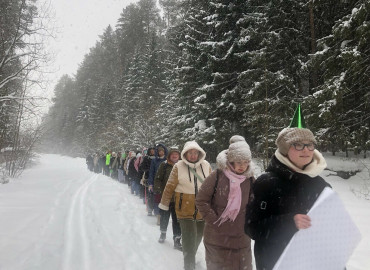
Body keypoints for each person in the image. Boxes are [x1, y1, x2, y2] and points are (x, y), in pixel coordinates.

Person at [245, 104, 331, 270]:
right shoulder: (266, 183)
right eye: (298, 144)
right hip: (276, 263)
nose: (306, 149)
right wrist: (289, 222)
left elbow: (333, 231)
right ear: (285, 150)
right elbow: (252, 228)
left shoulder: (321, 185)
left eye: (310, 144)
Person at [196, 136, 254, 270]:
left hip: (241, 240)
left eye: (246, 162)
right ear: (230, 161)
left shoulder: (250, 180)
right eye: (238, 161)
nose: (242, 166)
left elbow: (254, 205)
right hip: (217, 238)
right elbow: (201, 200)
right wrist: (215, 221)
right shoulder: (217, 176)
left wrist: (249, 223)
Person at [159, 141, 212, 270]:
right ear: (185, 154)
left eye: (195, 153)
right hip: (184, 210)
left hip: (202, 209)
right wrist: (164, 204)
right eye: (190, 153)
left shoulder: (206, 165)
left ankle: (190, 255)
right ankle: (189, 265)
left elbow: (212, 187)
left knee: (198, 237)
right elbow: (169, 187)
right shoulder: (178, 167)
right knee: (188, 239)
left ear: (199, 153)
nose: (193, 156)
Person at [154, 147, 182, 250]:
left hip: (178, 197)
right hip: (166, 196)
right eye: (172, 154)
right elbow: (158, 178)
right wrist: (158, 189)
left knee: (177, 220)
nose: (174, 156)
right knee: (164, 217)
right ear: (169, 155)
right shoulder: (164, 165)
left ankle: (177, 239)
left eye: (176, 154)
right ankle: (163, 233)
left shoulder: (182, 166)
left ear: (179, 156)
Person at [148, 144, 168, 223]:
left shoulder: (167, 160)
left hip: (166, 182)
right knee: (157, 199)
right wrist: (150, 183)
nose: (161, 152)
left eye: (162, 151)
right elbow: (151, 172)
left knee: (165, 200)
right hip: (157, 183)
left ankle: (164, 215)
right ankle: (158, 215)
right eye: (159, 151)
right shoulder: (154, 160)